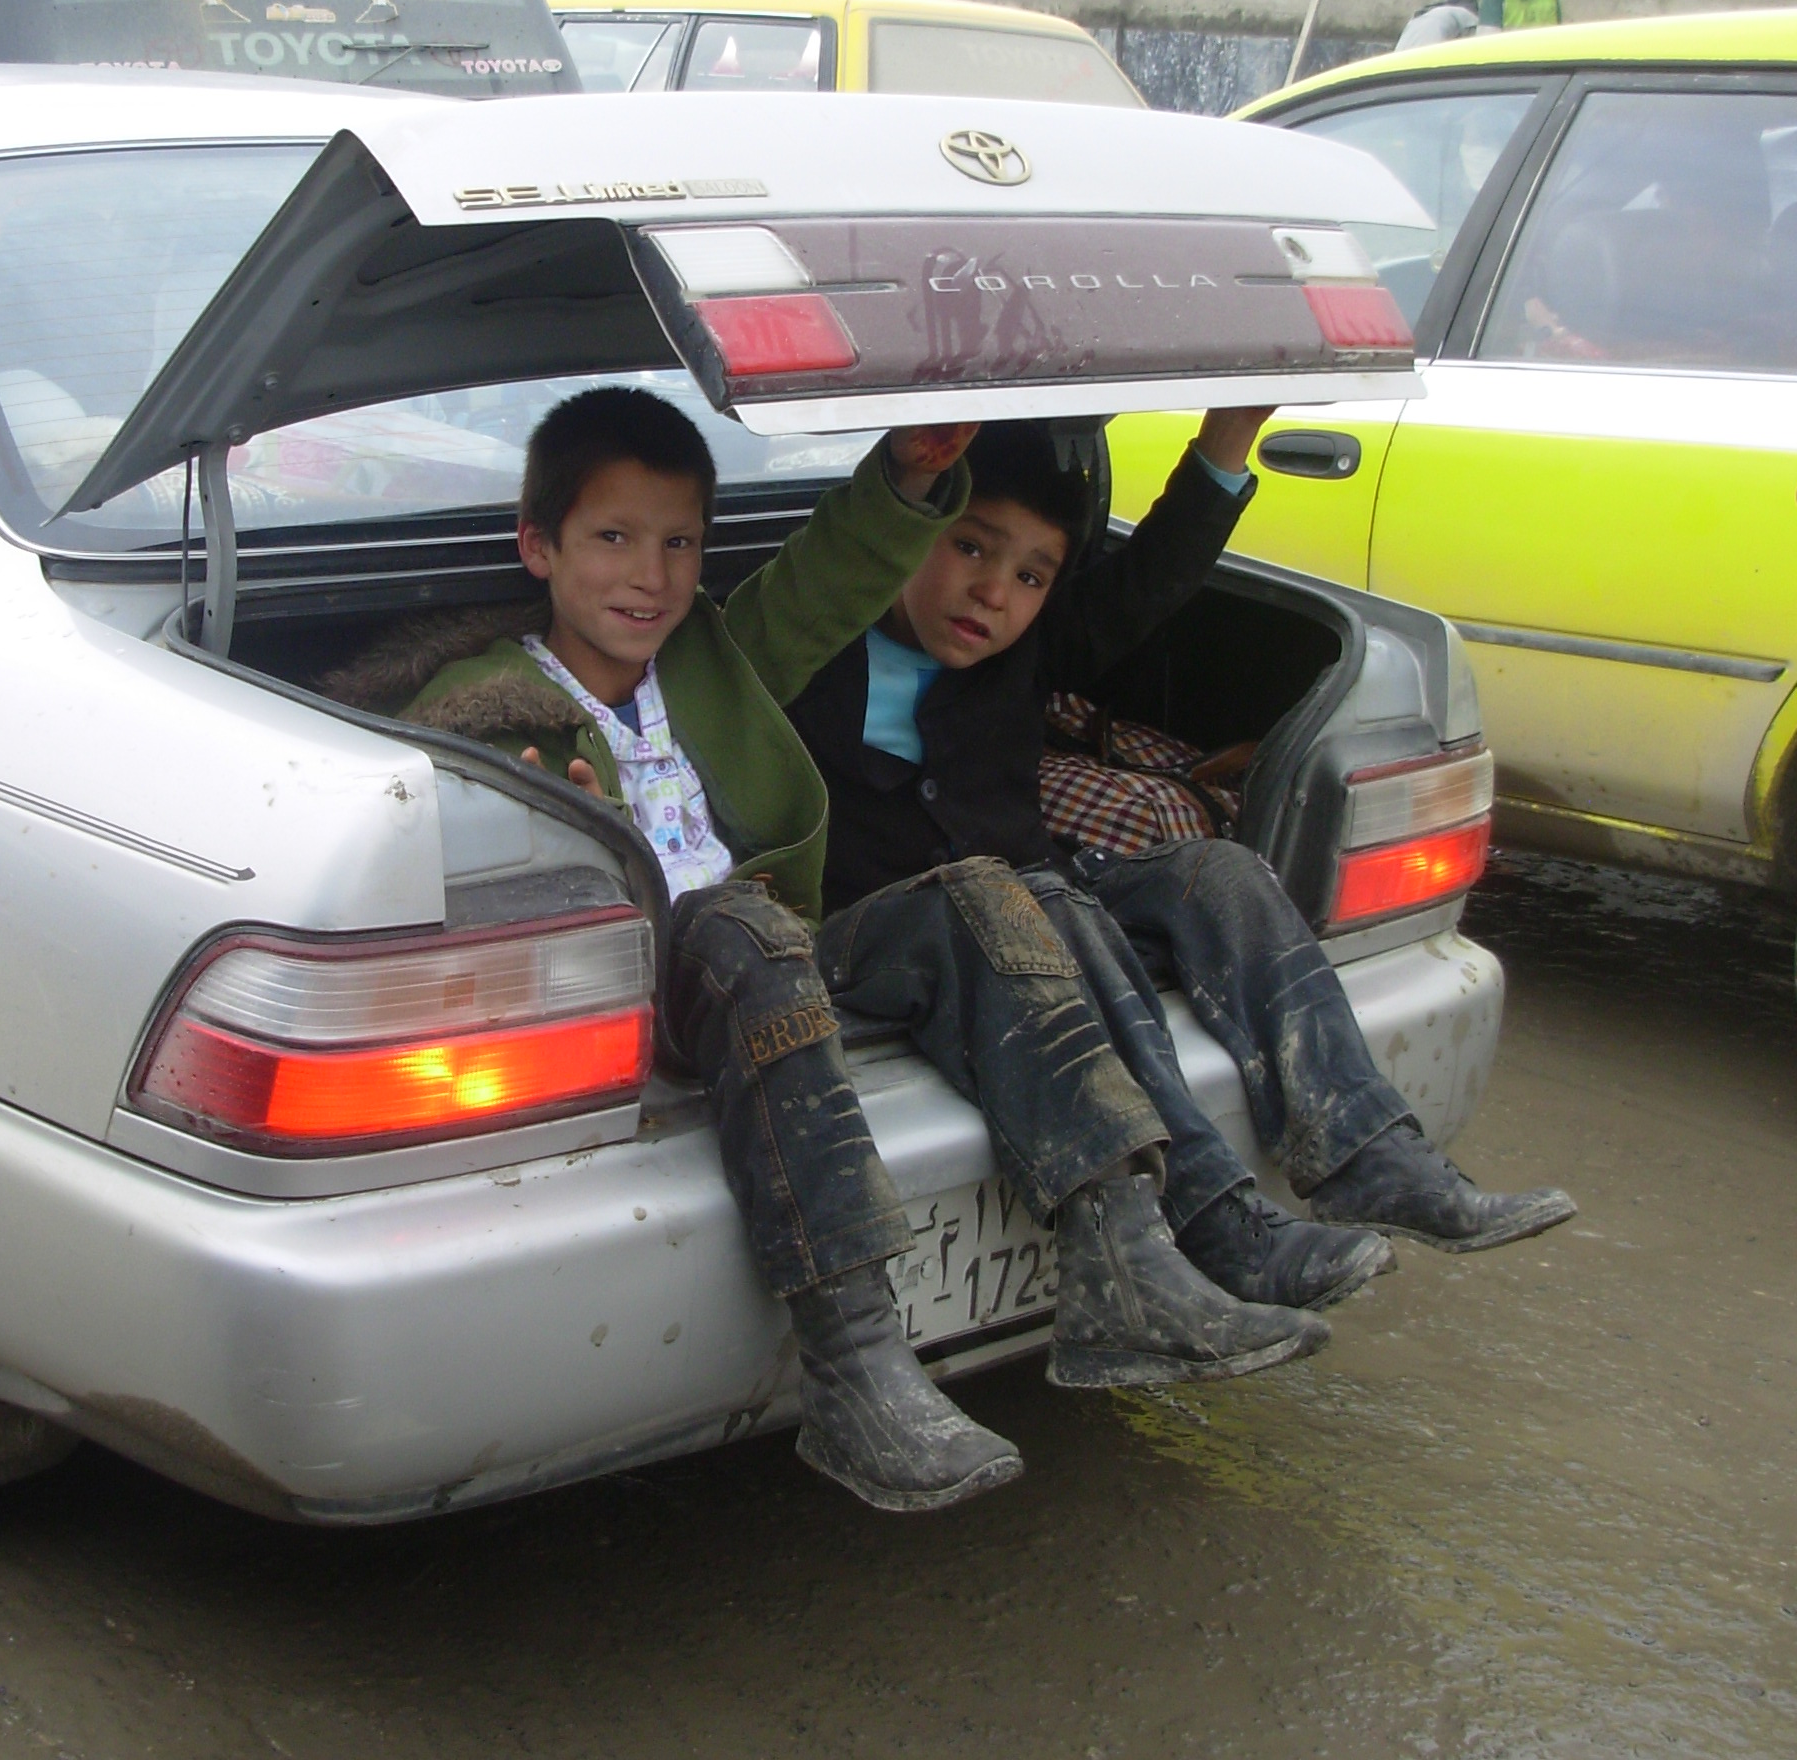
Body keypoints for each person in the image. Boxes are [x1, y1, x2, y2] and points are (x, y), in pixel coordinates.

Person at [393, 388, 1327, 1516]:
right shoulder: (485, 706)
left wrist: (915, 472)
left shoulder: (710, 658)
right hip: (656, 986)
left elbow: (828, 575)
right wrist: (574, 832)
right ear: (537, 546)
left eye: (679, 544)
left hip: (783, 963)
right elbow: (481, 862)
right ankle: (856, 1371)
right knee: (740, 924)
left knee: (980, 891)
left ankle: (1124, 1259)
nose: (651, 575)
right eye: (613, 539)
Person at [784, 416, 1578, 1289]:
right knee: (1043, 902)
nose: (993, 593)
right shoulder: (803, 645)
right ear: (907, 534)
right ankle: (1212, 1216)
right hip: (881, 945)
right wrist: (905, 479)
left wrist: (1230, 436)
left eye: (1030, 576)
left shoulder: (1026, 653)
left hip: (1042, 918)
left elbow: (1151, 579)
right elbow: (822, 571)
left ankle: (1371, 1156)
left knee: (1216, 871)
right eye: (969, 548)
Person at [1394, 0, 1481, 52]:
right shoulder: (1464, 14)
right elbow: (1478, 41)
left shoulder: (1423, 14)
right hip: (1428, 61)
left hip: (1398, 63)